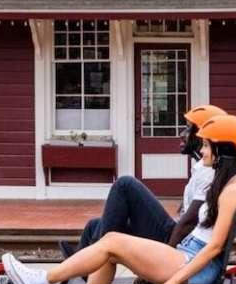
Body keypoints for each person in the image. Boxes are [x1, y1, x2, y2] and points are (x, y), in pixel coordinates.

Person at [2, 114, 236, 284]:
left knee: (112, 241)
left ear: (222, 149)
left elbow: (214, 247)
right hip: (189, 255)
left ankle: (41, 281)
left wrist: (173, 281)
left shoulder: (232, 190)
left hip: (195, 263)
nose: (203, 150)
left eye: (208, 145)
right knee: (111, 243)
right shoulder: (224, 180)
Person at [59, 104, 226, 257]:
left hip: (175, 242)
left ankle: (93, 257)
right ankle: (75, 276)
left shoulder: (207, 172)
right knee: (93, 226)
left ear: (202, 136)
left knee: (125, 185)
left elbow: (190, 221)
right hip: (175, 234)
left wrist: (166, 254)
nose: (182, 134)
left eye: (188, 129)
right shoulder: (202, 168)